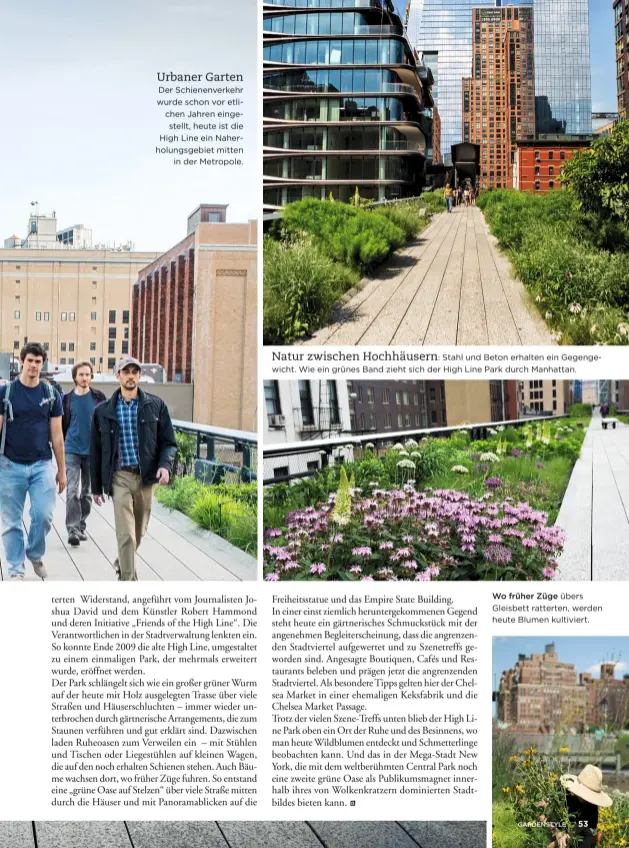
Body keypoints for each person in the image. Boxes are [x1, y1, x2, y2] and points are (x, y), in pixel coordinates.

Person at [90, 357, 177, 581]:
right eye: (125, 371)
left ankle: (122, 560)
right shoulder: (103, 411)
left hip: (146, 478)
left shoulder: (155, 406)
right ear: (117, 375)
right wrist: (96, 488)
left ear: (139, 376)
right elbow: (96, 451)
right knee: (126, 534)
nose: (130, 376)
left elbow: (169, 442)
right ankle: (128, 581)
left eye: (134, 372)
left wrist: (165, 467)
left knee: (138, 532)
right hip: (119, 477)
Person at [0, 342, 66, 580]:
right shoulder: (6, 393)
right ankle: (16, 570)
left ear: (42, 364)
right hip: (9, 465)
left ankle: (35, 554)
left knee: (44, 514)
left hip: (41, 465)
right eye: (30, 361)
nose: (34, 365)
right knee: (11, 522)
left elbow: (57, 436)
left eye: (38, 362)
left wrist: (62, 471)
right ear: (22, 362)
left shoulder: (51, 395)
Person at [62, 362, 106, 546]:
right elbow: (62, 423)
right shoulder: (67, 399)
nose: (84, 378)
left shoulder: (99, 398)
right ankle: (72, 529)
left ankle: (81, 525)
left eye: (87, 374)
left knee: (87, 493)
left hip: (92, 452)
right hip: (71, 449)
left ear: (91, 376)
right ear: (75, 377)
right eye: (81, 375)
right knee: (72, 491)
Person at [554, 765, 611, 848]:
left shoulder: (592, 806)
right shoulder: (560, 792)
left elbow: (584, 825)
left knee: (588, 839)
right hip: (552, 830)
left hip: (575, 835)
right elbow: (543, 815)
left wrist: (569, 834)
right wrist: (558, 833)